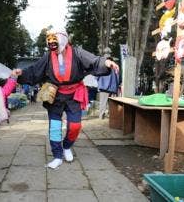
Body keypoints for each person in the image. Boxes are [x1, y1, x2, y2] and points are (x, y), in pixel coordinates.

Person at [15, 29, 119, 169]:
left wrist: (106, 62)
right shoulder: (48, 56)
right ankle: (57, 155)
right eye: (51, 45)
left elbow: (93, 60)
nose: (55, 50)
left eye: (56, 45)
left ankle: (66, 146)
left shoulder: (77, 53)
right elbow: (35, 70)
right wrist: (21, 73)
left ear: (63, 42)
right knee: (55, 128)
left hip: (74, 94)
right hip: (55, 95)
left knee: (75, 126)